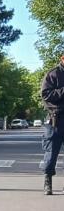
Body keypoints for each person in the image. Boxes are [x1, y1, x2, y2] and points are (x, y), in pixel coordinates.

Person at [40, 52, 64, 195]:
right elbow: (46, 95)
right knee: (51, 152)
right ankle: (47, 181)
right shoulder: (53, 74)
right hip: (57, 119)